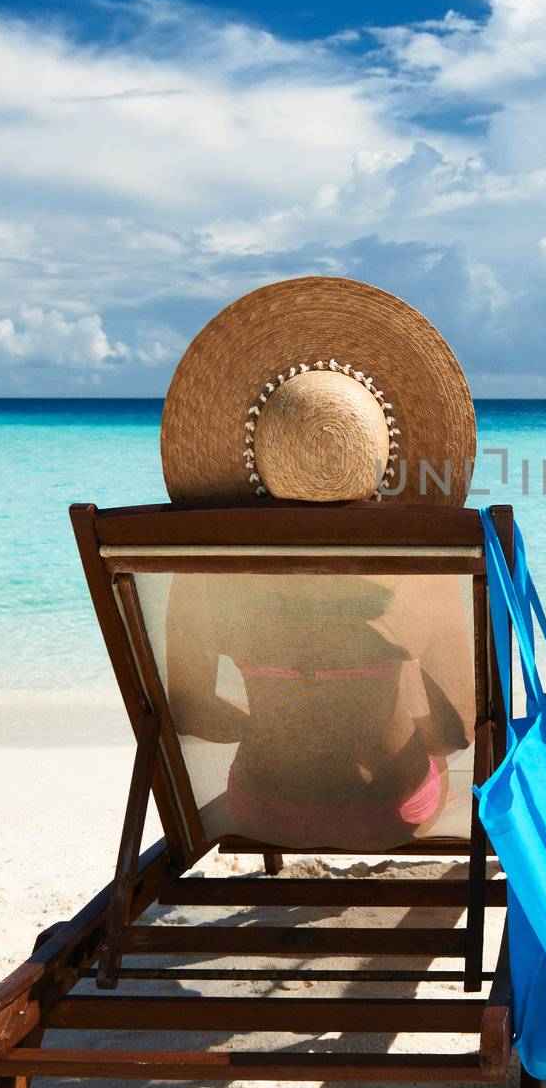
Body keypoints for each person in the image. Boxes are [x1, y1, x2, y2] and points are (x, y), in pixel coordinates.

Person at [154, 274, 482, 853]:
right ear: (381, 447)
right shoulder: (425, 565)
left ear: (257, 449)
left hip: (259, 806)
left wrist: (281, 727)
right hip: (392, 811)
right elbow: (457, 728)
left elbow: (190, 712)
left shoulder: (201, 564)